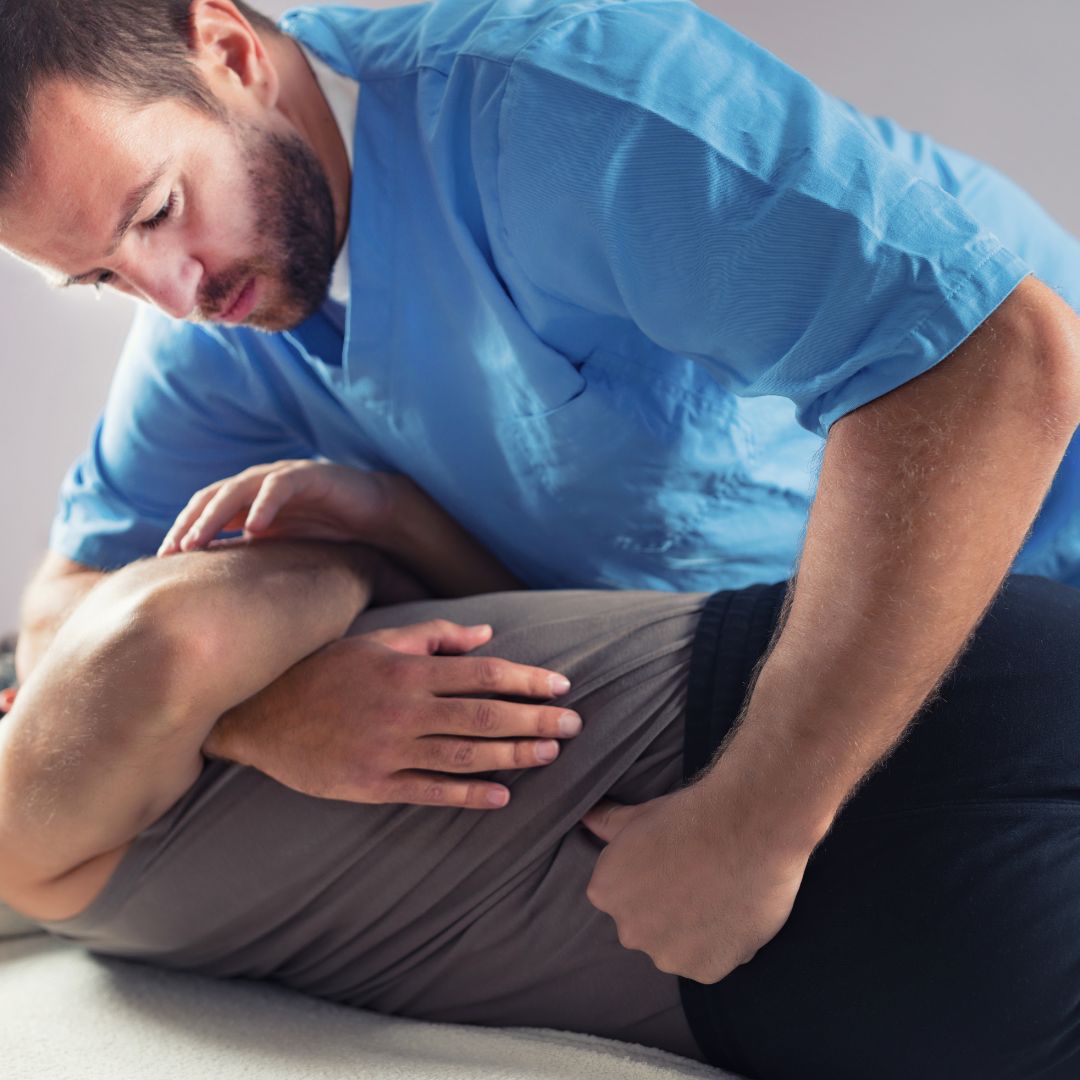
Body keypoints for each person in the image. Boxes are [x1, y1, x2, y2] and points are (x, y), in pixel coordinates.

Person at [5, 0, 1080, 988]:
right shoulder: (222, 327)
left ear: (231, 55)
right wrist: (257, 711)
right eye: (102, 276)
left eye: (155, 213)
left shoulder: (548, 103)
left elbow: (1007, 361)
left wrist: (760, 819)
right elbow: (63, 615)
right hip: (823, 680)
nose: (169, 295)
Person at [3, 459, 1080, 1080]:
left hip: (821, 801)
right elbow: (177, 635)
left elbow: (161, 643)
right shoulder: (40, 840)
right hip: (821, 880)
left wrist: (234, 706)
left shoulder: (60, 815)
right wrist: (252, 700)